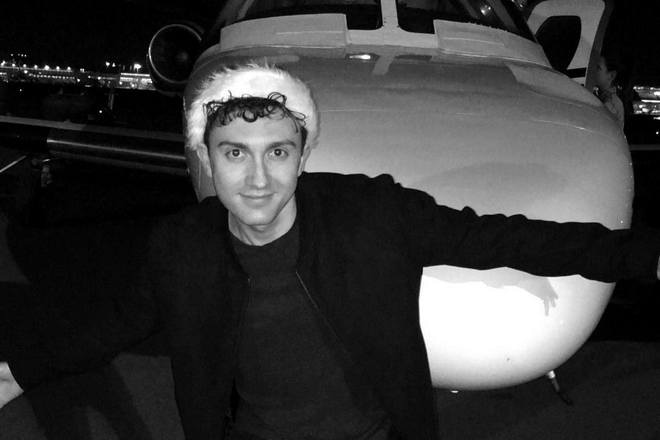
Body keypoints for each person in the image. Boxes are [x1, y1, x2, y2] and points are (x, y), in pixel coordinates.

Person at [1, 63, 660, 440]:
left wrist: (642, 257)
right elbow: (113, 322)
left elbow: (503, 237)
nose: (258, 180)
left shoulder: (372, 214)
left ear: (302, 156)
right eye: (234, 154)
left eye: (277, 152)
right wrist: (17, 372)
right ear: (207, 159)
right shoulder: (182, 246)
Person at [594, 53, 625, 130]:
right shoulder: (600, 96)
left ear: (611, 75)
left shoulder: (612, 103)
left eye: (598, 68)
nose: (593, 70)